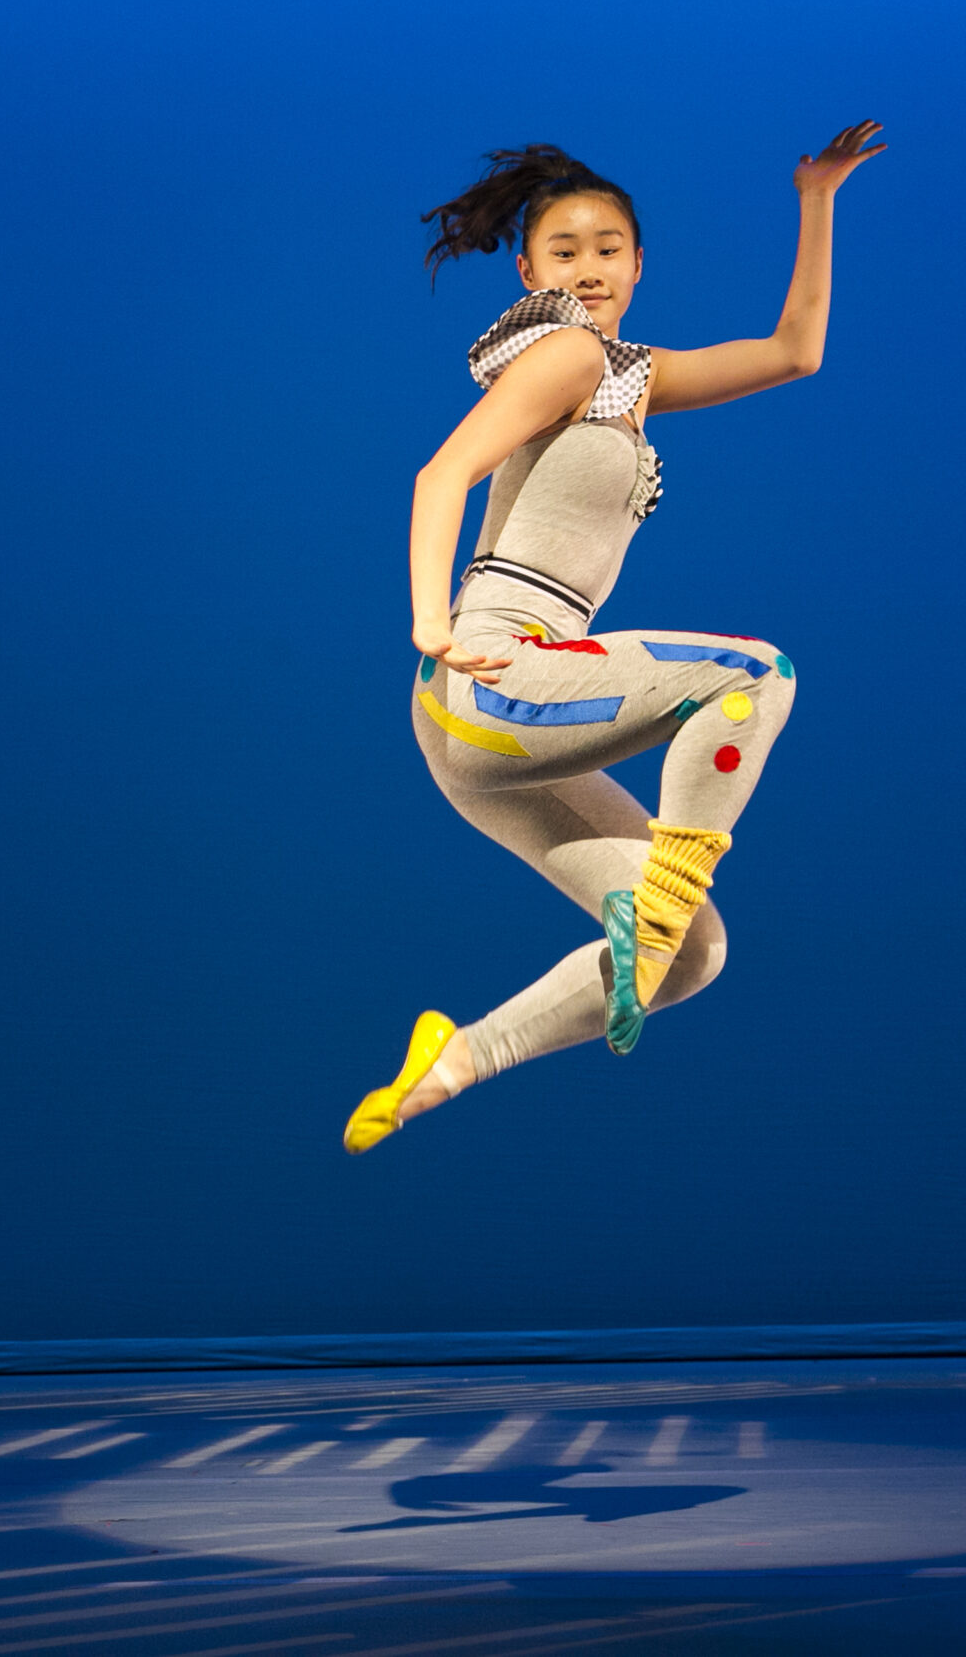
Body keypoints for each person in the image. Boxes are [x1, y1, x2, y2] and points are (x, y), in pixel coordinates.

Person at [345, 123, 888, 1154]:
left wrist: (816, 196)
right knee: (750, 675)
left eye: (607, 249)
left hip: (500, 734)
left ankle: (453, 1062)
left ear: (639, 265)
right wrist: (430, 620)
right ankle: (668, 889)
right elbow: (438, 476)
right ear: (527, 268)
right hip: (496, 673)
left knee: (688, 955)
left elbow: (793, 352)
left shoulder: (627, 378)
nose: (587, 268)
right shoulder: (564, 351)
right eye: (563, 251)